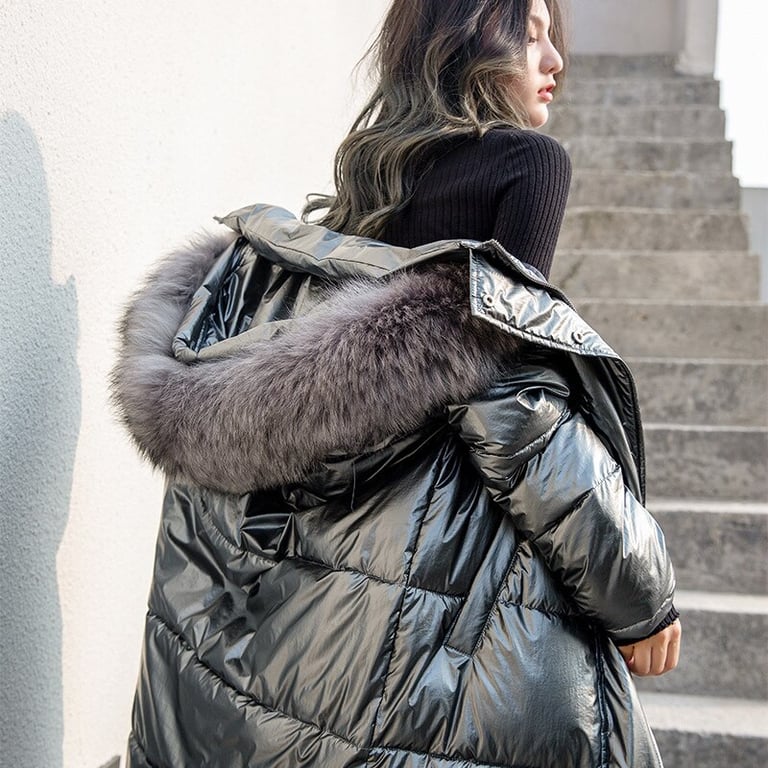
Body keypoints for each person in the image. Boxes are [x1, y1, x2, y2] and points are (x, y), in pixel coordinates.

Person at [112, 0, 682, 766]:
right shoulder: (531, 163)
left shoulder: (366, 185)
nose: (555, 63)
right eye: (530, 36)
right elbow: (515, 400)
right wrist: (640, 594)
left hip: (311, 638)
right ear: (468, 40)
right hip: (430, 643)